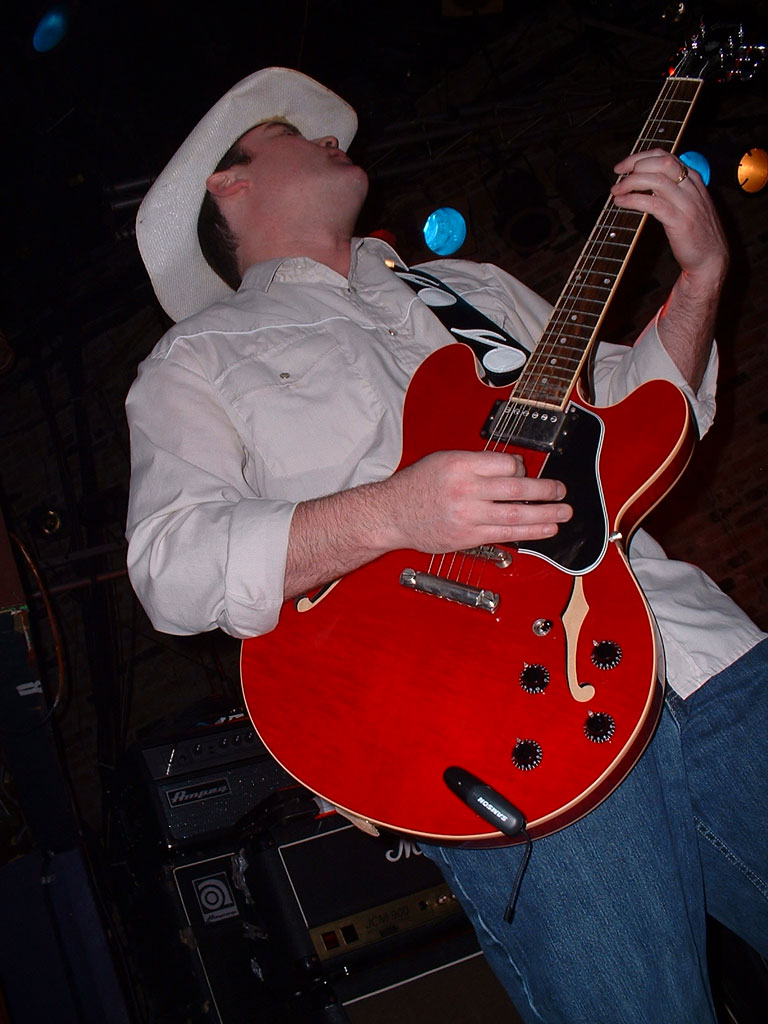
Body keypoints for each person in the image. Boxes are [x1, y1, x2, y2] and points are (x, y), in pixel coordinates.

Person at [126, 67, 767, 1023]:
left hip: (699, 657)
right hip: (501, 728)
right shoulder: (197, 357)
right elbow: (171, 566)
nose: (334, 136)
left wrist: (701, 280)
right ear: (230, 183)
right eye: (293, 132)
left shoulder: (466, 287)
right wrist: (392, 514)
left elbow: (635, 415)